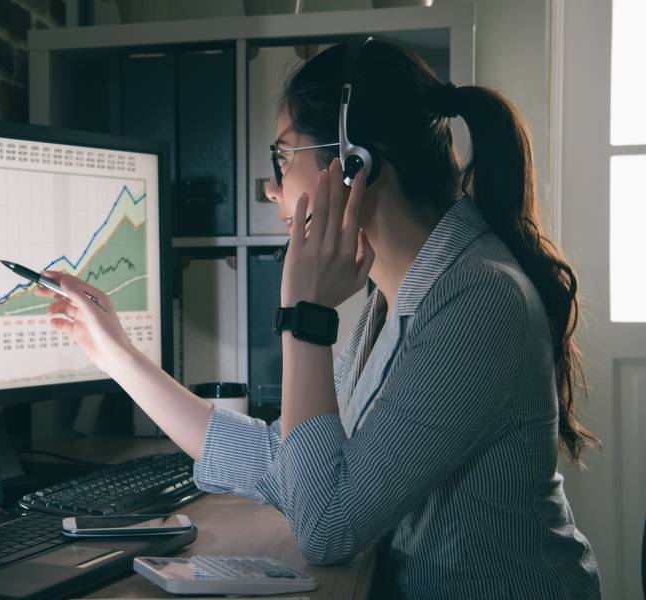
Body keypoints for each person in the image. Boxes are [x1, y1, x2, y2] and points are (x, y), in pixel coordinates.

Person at [35, 39, 601, 599]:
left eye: (283, 159)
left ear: (355, 163)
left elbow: (326, 523)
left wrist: (305, 315)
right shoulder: (401, 293)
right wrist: (118, 356)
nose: (271, 189)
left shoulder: (479, 301)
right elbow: (294, 462)